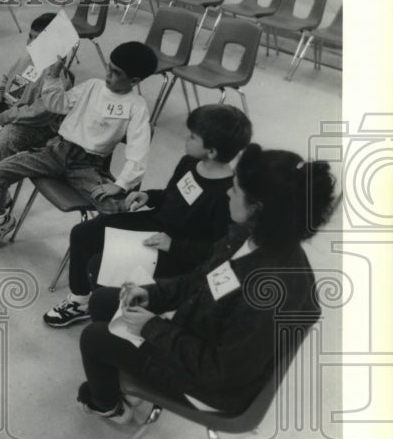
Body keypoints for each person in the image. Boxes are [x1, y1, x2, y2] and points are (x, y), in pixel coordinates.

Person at [77, 144, 337, 423]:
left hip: (214, 386)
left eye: (235, 190)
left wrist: (152, 327)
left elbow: (221, 371)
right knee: (103, 300)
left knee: (94, 338)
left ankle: (105, 404)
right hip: (201, 334)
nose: (228, 191)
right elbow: (200, 280)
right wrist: (152, 294)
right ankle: (119, 372)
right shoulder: (249, 236)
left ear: (257, 208)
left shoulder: (269, 291)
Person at [44, 104, 252, 328]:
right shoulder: (189, 162)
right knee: (84, 232)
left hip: (174, 250)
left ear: (211, 152)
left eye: (192, 136)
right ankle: (79, 301)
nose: (186, 138)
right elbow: (171, 196)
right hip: (155, 224)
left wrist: (174, 245)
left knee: (99, 264)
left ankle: (110, 311)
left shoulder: (226, 194)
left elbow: (214, 250)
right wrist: (148, 196)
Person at [0, 41, 157, 250]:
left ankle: (108, 254)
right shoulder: (93, 86)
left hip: (86, 165)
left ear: (134, 80)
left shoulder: (137, 107)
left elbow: (138, 151)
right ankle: (0, 222)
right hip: (55, 151)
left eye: (116, 73)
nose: (108, 74)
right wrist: (53, 76)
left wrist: (121, 184)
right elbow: (57, 104)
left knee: (116, 207)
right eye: (109, 67)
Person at [0, 11, 75, 194]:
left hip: (39, 127)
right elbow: (5, 82)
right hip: (12, 113)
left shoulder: (57, 77)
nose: (30, 44)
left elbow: (41, 111)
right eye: (30, 37)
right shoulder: (26, 60)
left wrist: (9, 116)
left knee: (6, 138)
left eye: (38, 40)